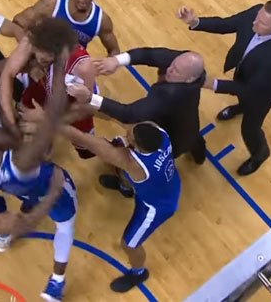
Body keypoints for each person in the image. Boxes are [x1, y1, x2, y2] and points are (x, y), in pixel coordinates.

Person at [0, 47, 75, 301]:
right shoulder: (22, 161)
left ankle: (6, 235)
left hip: (23, 190)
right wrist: (61, 64)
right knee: (65, 228)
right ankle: (57, 281)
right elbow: (54, 114)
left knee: (27, 201)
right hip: (52, 186)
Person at [179, 0, 271, 176]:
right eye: (258, 17)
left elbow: (250, 90)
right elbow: (227, 24)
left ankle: (259, 154)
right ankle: (240, 107)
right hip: (245, 75)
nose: (254, 23)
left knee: (250, 130)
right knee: (241, 99)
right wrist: (195, 22)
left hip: (261, 95)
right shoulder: (257, 14)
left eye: (262, 23)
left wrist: (214, 84)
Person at [60, 121, 181, 293]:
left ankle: (139, 273)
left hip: (156, 206)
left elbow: (85, 140)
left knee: (129, 244)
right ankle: (125, 188)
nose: (127, 134)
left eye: (130, 138)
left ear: (137, 147)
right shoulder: (160, 133)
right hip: (167, 182)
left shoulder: (134, 164)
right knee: (124, 172)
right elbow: (126, 120)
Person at [67, 47, 206, 196]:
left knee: (134, 165)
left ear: (190, 79)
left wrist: (90, 97)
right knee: (192, 138)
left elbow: (129, 114)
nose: (170, 69)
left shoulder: (169, 94)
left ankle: (125, 186)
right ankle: (199, 154)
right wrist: (116, 60)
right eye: (173, 65)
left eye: (176, 71)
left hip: (170, 143)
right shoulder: (187, 67)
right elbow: (150, 54)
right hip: (189, 127)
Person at [0, 17, 98, 159]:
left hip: (73, 102)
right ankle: (42, 143)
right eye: (36, 53)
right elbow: (8, 73)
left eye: (45, 59)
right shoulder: (35, 40)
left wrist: (45, 121)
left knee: (86, 150)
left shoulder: (82, 67)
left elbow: (85, 109)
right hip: (45, 86)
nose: (38, 59)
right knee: (26, 109)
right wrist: (9, 119)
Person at [12, 0, 120, 56]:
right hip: (38, 61)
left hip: (68, 70)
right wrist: (33, 51)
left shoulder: (101, 20)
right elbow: (18, 23)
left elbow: (114, 51)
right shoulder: (51, 4)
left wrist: (102, 66)